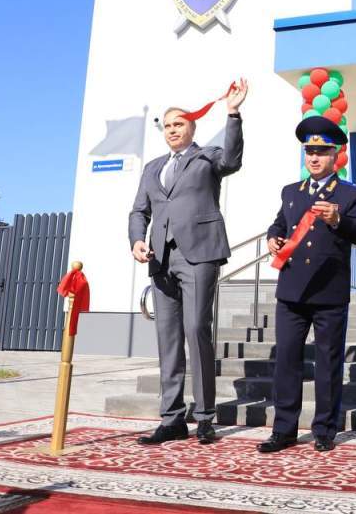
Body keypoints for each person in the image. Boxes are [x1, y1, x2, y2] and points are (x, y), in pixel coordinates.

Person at [128, 79, 248, 445]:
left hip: (199, 254)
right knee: (167, 338)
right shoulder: (152, 168)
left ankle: (205, 417)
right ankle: (172, 418)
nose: (172, 130)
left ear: (192, 126)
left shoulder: (207, 157)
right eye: (167, 125)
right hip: (161, 260)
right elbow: (139, 211)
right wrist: (137, 240)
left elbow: (233, 159)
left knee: (196, 329)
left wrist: (233, 113)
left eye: (179, 124)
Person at [257, 116, 356, 453]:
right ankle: (284, 429)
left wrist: (338, 220)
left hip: (328, 291)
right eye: (310, 152)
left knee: (328, 363)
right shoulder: (292, 192)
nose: (315, 158)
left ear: (336, 155)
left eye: (322, 151)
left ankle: (324, 430)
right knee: (287, 362)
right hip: (291, 290)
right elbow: (279, 224)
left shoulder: (351, 193)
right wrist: (273, 237)